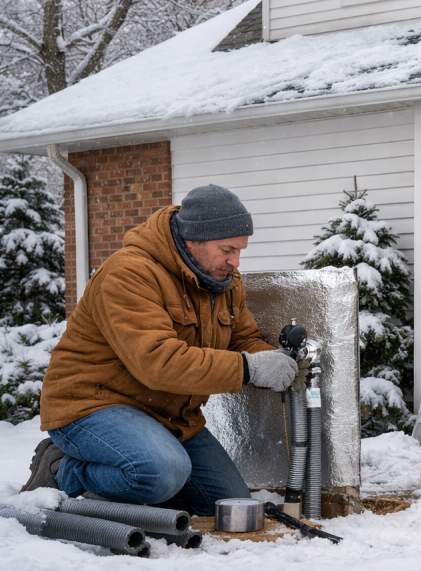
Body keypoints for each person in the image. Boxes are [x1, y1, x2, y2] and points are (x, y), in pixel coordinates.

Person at [21, 185, 303, 515]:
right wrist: (248, 368)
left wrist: (274, 360)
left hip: (168, 416)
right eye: (227, 249)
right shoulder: (129, 274)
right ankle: (61, 469)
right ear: (192, 240)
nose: (235, 261)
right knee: (160, 473)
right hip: (93, 404)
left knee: (225, 503)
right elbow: (158, 362)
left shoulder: (224, 281)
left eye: (240, 250)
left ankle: (139, 475)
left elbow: (242, 341)